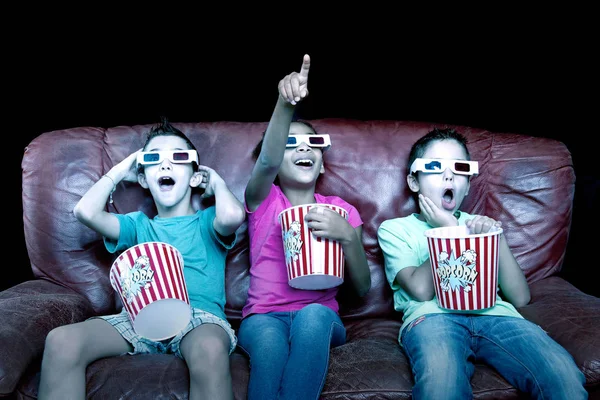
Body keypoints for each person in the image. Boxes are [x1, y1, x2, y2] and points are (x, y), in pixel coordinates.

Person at [38, 117, 246, 400]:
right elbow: (85, 212)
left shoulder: (207, 222)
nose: (166, 165)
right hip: (138, 319)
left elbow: (233, 216)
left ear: (196, 178)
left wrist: (217, 182)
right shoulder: (137, 226)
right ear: (143, 178)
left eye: (178, 158)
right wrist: (124, 167)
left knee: (209, 349)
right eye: (154, 159)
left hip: (199, 319)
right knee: (61, 340)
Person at [377, 127, 587, 399]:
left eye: (459, 167)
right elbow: (420, 290)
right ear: (414, 182)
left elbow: (520, 297)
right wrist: (449, 231)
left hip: (497, 316)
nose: (448, 174)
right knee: (442, 386)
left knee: (563, 375)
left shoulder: (479, 226)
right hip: (432, 318)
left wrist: (496, 238)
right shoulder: (395, 229)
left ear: (467, 183)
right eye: (434, 166)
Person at [236, 54, 371, 400]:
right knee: (269, 348)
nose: (303, 148)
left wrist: (347, 239)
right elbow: (266, 160)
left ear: (322, 164)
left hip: (322, 316)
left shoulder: (342, 211)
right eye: (290, 144)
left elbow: (361, 288)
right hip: (264, 316)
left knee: (313, 316)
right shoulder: (263, 201)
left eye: (312, 143)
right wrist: (285, 103)